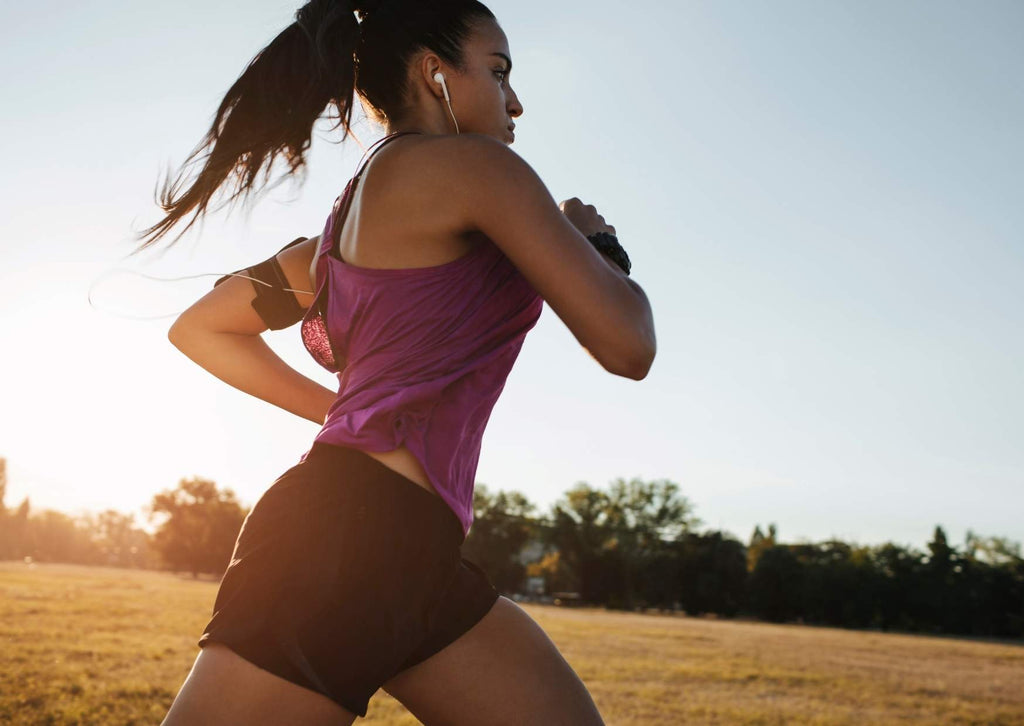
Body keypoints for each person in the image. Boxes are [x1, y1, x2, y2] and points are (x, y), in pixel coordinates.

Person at [149, 0, 655, 723]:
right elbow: (628, 344)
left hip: (414, 555)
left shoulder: (326, 248)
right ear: (433, 73)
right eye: (498, 70)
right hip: (345, 542)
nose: (516, 101)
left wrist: (343, 414)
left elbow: (202, 329)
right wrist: (597, 245)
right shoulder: (482, 169)